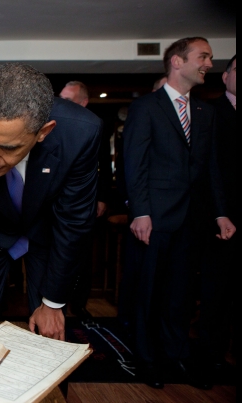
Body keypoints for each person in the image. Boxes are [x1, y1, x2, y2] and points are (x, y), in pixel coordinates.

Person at [0, 63, 102, 340]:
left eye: (8, 147)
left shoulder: (80, 134)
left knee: (50, 330)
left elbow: (74, 223)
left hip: (48, 230)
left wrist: (53, 304)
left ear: (43, 132)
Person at [123, 37, 235, 390]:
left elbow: (212, 169)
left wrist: (220, 214)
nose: (209, 64)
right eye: (203, 56)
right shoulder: (146, 108)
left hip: (193, 221)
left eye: (211, 58)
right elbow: (134, 166)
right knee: (150, 293)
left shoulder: (207, 112)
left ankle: (174, 356)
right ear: (176, 61)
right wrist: (141, 212)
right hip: (154, 220)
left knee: (181, 295)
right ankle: (147, 360)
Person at [59, 80, 113, 321]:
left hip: (85, 202)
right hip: (56, 201)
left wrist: (101, 198)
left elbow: (103, 165)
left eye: (68, 100)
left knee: (82, 255)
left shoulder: (95, 126)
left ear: (84, 102)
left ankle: (78, 304)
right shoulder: (52, 124)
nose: (62, 105)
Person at [198, 54, 237, 373]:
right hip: (220, 218)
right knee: (218, 292)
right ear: (225, 77)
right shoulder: (210, 113)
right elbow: (208, 171)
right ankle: (211, 355)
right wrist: (220, 213)